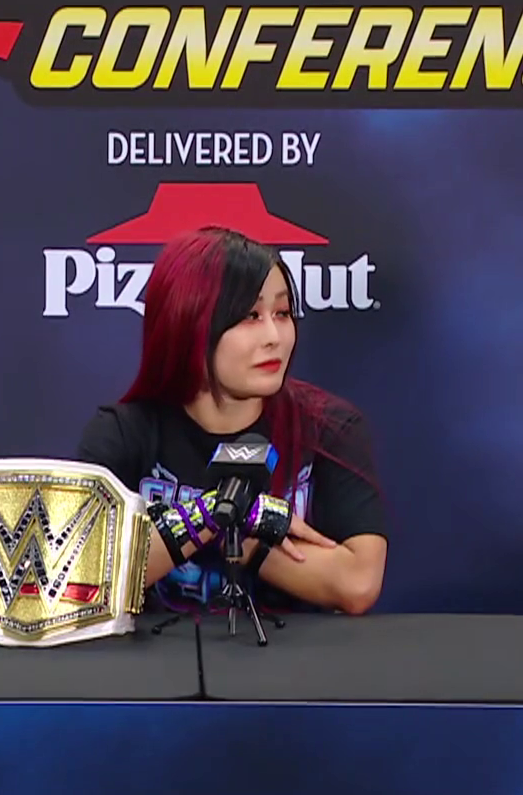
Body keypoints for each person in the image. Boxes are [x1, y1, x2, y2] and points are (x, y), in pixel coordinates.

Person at [73, 227, 387, 615]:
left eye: (282, 313)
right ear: (188, 324)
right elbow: (85, 577)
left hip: (295, 654)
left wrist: (246, 531)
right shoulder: (123, 432)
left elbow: (358, 583)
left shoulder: (329, 427)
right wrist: (210, 513)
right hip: (160, 652)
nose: (274, 337)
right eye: (250, 316)